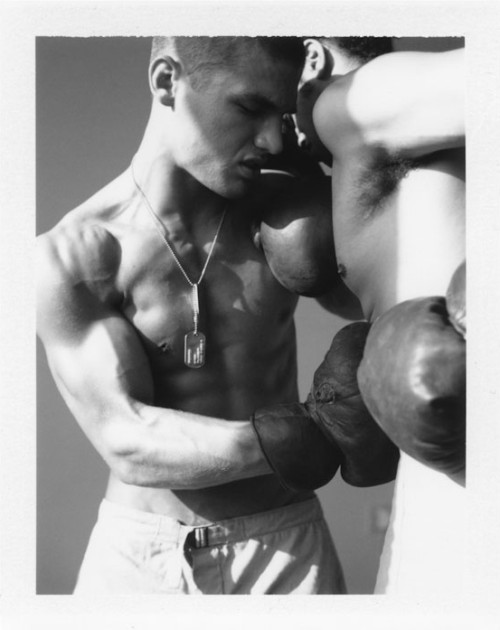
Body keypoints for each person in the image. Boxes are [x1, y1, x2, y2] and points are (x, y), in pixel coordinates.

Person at [36, 36, 396, 596]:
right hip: (141, 560)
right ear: (167, 81)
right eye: (250, 107)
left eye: (281, 115)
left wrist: (351, 169)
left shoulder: (284, 216)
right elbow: (127, 439)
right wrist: (313, 435)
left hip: (287, 549)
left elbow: (384, 304)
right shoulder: (78, 257)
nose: (271, 139)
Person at [294, 36, 466, 594]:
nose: (275, 135)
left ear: (312, 57)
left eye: (270, 100)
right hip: (441, 464)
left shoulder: (350, 99)